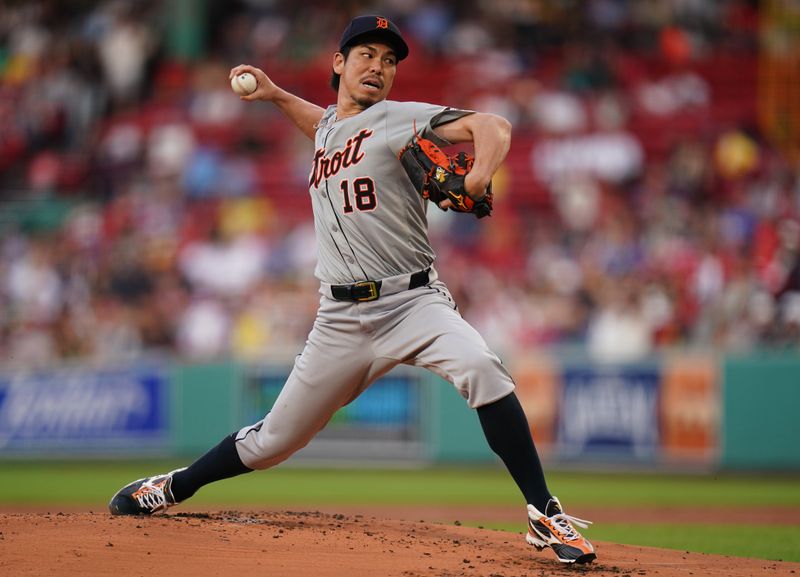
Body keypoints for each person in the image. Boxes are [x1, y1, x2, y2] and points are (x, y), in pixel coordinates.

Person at [108, 15, 596, 565]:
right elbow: (321, 123)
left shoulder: (397, 119)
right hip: (338, 318)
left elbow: (494, 125)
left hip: (413, 302)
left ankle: (543, 512)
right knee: (271, 443)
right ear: (339, 63)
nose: (379, 67)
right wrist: (273, 95)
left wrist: (479, 176)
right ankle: (172, 487)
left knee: (482, 368)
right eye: (367, 54)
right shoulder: (330, 130)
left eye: (389, 61)